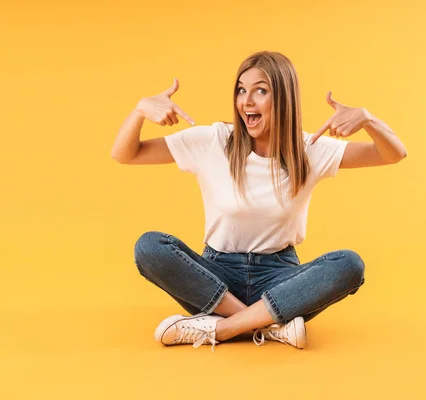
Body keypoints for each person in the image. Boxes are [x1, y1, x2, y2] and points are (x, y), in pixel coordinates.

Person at [111, 51, 407, 352]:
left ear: (284, 99)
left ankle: (223, 328)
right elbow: (126, 153)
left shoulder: (310, 149)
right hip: (215, 278)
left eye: (260, 91)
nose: (247, 101)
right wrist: (139, 111)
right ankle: (269, 326)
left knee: (350, 265)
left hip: (279, 278)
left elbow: (393, 153)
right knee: (149, 247)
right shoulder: (213, 141)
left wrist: (367, 119)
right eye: (241, 89)